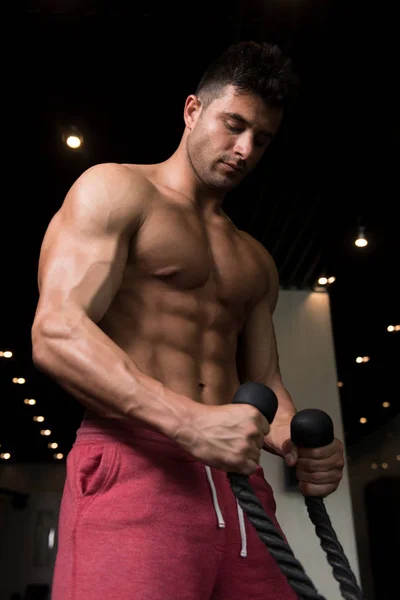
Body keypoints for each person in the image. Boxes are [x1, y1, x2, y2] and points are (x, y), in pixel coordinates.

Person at [31, 41, 345, 600]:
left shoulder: (254, 258)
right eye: (234, 124)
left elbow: (267, 385)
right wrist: (188, 422)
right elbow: (57, 332)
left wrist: (300, 447)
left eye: (262, 139)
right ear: (192, 110)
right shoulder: (116, 190)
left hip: (240, 490)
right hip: (136, 462)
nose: (245, 149)